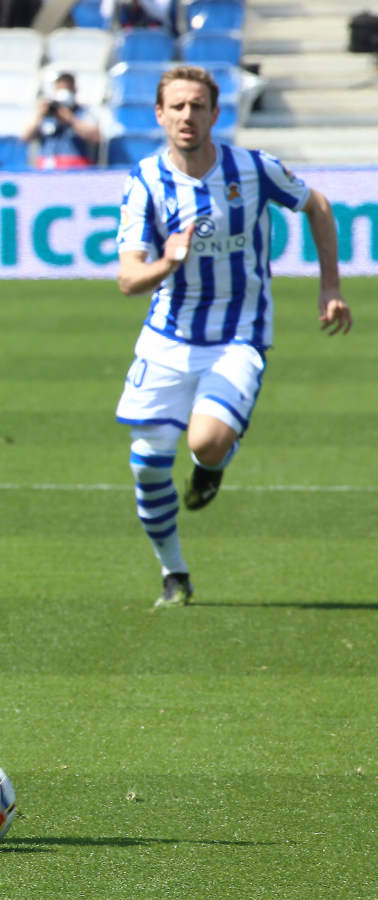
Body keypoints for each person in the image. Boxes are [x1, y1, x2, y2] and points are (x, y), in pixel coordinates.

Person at [113, 65, 352, 609]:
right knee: (148, 464)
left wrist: (330, 285)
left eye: (197, 106)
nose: (187, 116)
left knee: (206, 442)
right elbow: (129, 278)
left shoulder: (253, 168)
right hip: (167, 338)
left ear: (215, 114)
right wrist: (166, 262)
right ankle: (174, 571)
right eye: (176, 106)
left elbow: (317, 204)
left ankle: (210, 468)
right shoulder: (144, 182)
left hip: (239, 335)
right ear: (159, 114)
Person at [23, 72, 101, 170]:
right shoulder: (47, 113)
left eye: (67, 89)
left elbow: (95, 137)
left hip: (77, 170)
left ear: (74, 90)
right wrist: (40, 114)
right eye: (59, 88)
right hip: (47, 168)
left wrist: (70, 118)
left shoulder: (84, 112)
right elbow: (25, 137)